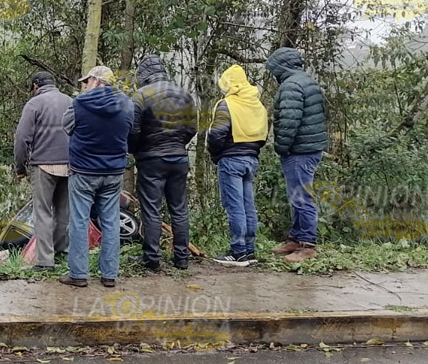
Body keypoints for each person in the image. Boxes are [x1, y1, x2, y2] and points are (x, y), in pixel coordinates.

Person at [60, 66, 134, 288]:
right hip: (113, 172)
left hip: (83, 171)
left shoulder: (80, 103)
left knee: (79, 222)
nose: (84, 86)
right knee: (111, 222)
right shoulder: (127, 104)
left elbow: (67, 127)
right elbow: (130, 130)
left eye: (86, 82)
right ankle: (109, 275)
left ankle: (78, 275)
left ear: (95, 81)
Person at [127, 55, 197, 271]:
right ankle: (182, 258)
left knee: (151, 209)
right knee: (179, 209)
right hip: (179, 157)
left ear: (144, 75)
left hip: (151, 159)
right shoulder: (185, 95)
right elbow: (192, 128)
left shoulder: (140, 96)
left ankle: (152, 259)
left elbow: (133, 130)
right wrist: (177, 145)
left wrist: (137, 150)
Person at [265, 47, 328, 264]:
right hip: (309, 147)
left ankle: (308, 245)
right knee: (297, 196)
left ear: (280, 67)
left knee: (301, 197)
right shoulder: (306, 81)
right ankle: (296, 239)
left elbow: (290, 122)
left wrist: (281, 147)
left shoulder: (291, 86)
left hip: (300, 150)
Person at [206, 64, 268, 266]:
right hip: (251, 159)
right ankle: (249, 250)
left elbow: (216, 134)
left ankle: (238, 252)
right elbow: (263, 135)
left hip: (231, 159)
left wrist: (216, 154)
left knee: (234, 206)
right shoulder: (256, 104)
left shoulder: (227, 104)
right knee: (248, 206)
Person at [14, 71, 72, 270]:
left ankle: (46, 261)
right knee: (63, 211)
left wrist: (20, 167)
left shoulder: (34, 104)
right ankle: (61, 252)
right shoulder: (70, 101)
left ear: (36, 86)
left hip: (44, 164)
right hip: (70, 164)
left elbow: (22, 138)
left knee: (43, 211)